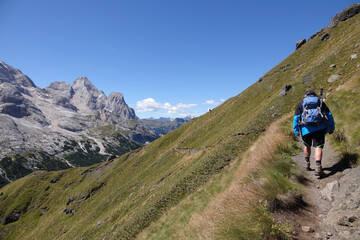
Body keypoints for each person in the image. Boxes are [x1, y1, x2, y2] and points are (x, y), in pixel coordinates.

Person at [293, 89, 335, 177]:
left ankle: (307, 163)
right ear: (314, 95)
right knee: (318, 147)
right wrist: (332, 127)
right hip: (319, 128)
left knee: (306, 145)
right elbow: (329, 115)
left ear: (305, 95)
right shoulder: (319, 102)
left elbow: (296, 118)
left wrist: (296, 131)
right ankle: (318, 166)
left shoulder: (301, 103)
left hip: (305, 129)